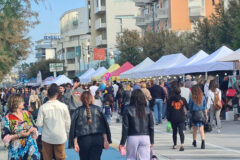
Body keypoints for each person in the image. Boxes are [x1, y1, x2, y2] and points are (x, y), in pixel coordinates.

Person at [69, 91, 112, 160]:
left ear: (81, 99)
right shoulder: (98, 109)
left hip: (83, 140)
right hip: (97, 139)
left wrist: (75, 142)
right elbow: (104, 126)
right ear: (92, 98)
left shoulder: (77, 111)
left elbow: (74, 128)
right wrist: (106, 140)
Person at [36, 83, 71, 160]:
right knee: (60, 157)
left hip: (47, 137)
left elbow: (39, 123)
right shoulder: (63, 106)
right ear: (57, 95)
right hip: (60, 136)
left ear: (47, 95)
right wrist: (68, 133)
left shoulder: (43, 107)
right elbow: (68, 122)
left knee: (47, 157)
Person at [1, 94, 40, 159]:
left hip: (31, 150)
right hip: (17, 152)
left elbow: (35, 128)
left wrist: (34, 130)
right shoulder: (7, 118)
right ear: (15, 103)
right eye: (21, 101)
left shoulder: (27, 114)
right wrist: (19, 135)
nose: (24, 103)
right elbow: (4, 138)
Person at [119, 89, 154, 159]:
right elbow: (151, 126)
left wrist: (122, 142)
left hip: (132, 136)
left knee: (131, 157)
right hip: (145, 136)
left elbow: (125, 127)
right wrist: (152, 141)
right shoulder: (147, 110)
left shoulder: (128, 109)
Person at [167, 83, 188, 151]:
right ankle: (182, 144)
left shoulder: (170, 99)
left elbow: (168, 109)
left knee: (174, 132)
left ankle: (175, 145)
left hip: (173, 117)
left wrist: (168, 118)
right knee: (181, 131)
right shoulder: (183, 99)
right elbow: (187, 107)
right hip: (181, 116)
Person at [189, 85, 208, 149]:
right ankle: (203, 143)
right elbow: (205, 107)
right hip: (201, 114)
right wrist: (206, 115)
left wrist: (190, 115)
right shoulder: (202, 97)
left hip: (194, 114)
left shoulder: (192, 98)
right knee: (201, 129)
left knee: (195, 129)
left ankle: (194, 141)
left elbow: (190, 107)